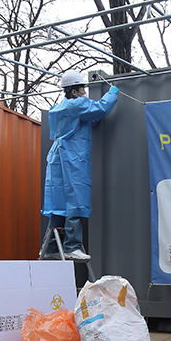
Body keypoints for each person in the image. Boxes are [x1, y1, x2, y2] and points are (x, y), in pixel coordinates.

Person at [42, 70, 118, 261]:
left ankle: (51, 247)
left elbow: (87, 119)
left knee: (59, 201)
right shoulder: (77, 104)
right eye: (82, 89)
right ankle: (72, 246)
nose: (84, 93)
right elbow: (101, 108)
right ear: (74, 92)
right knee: (76, 199)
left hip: (57, 157)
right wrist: (112, 92)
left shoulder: (60, 109)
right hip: (73, 157)